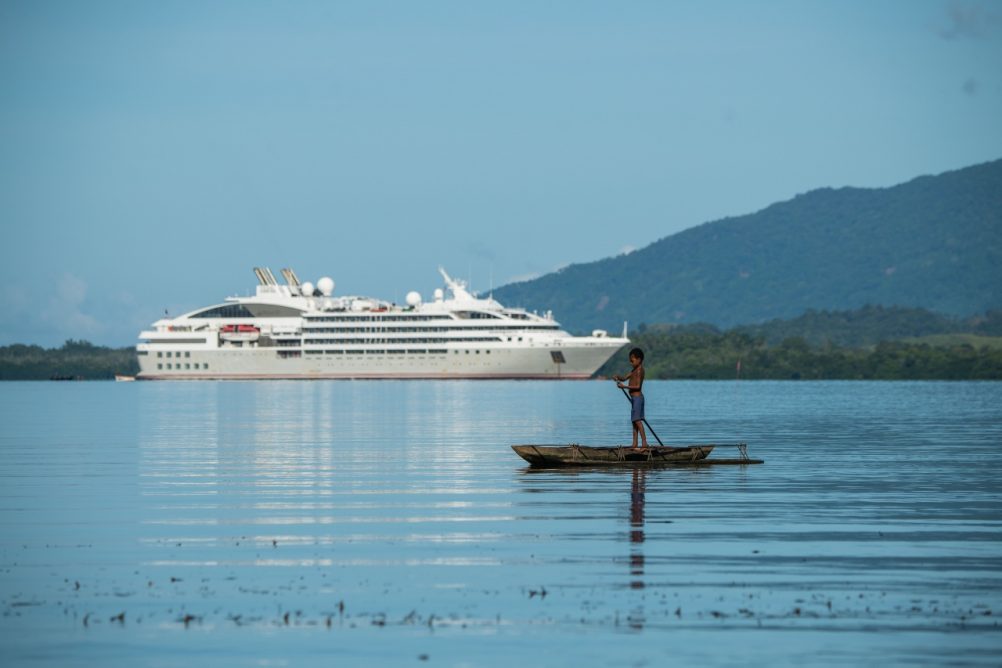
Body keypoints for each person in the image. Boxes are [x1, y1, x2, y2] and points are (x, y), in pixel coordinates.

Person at [614, 348, 649, 448]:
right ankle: (635, 443)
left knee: (638, 420)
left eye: (632, 360)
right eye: (630, 360)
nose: (630, 363)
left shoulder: (639, 371)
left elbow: (637, 386)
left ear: (639, 360)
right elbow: (624, 378)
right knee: (634, 421)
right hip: (634, 399)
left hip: (638, 399)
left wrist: (624, 387)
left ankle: (644, 443)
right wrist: (617, 377)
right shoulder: (634, 370)